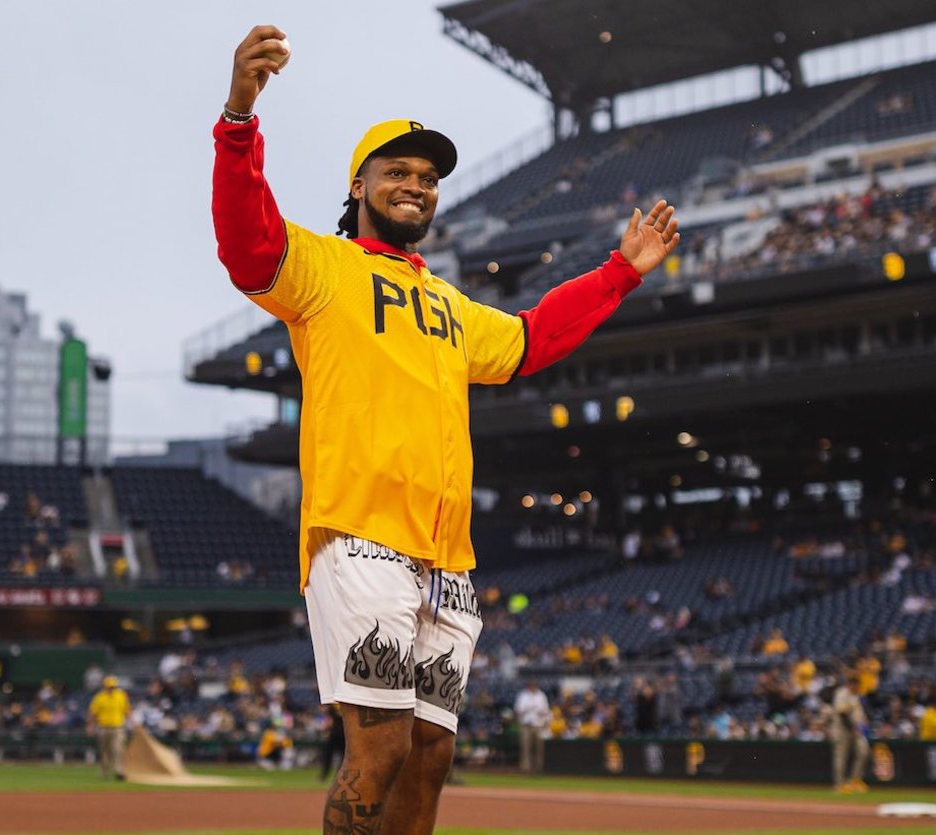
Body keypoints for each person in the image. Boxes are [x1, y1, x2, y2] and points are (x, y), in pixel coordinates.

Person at [213, 25, 680, 835]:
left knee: (430, 754)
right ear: (359, 184)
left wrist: (618, 274)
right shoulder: (323, 268)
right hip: (359, 535)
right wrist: (239, 121)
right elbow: (248, 246)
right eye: (397, 171)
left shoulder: (450, 305)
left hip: (446, 555)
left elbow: (533, 338)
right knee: (380, 749)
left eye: (427, 177)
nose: (416, 186)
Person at [830, 669, 869, 793]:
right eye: (856, 684)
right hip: (842, 730)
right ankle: (840, 784)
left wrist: (862, 725)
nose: (858, 686)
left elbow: (859, 715)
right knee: (841, 757)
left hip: (855, 730)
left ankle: (855, 781)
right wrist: (853, 729)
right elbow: (842, 714)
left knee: (863, 751)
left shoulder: (855, 696)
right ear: (851, 684)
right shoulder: (842, 693)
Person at [87, 675, 130, 780]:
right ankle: (104, 772)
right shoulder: (100, 697)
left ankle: (119, 771)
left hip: (118, 727)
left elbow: (127, 710)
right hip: (103, 727)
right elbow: (92, 713)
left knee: (118, 749)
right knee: (105, 751)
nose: (111, 689)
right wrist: (90, 726)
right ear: (105, 686)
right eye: (109, 687)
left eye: (113, 687)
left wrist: (133, 723)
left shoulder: (121, 696)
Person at [514, 680, 550, 774]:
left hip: (538, 725)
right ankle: (525, 769)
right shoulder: (523, 696)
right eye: (531, 685)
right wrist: (529, 708)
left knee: (539, 748)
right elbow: (519, 711)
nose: (532, 687)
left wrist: (540, 715)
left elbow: (545, 711)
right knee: (525, 747)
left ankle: (538, 768)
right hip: (526, 725)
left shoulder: (541, 696)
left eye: (534, 685)